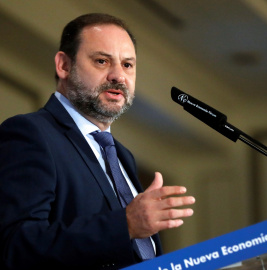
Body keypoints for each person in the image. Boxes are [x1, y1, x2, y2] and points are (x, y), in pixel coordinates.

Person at [0, 13, 195, 270]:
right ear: (64, 65)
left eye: (127, 65)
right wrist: (124, 225)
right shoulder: (30, 133)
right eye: (102, 61)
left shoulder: (122, 156)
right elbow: (15, 246)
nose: (118, 76)